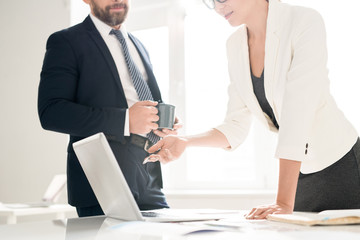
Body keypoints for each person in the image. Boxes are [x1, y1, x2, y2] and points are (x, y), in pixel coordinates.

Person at [146, 0, 360, 219]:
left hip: (339, 163)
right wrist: (186, 142)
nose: (218, 8)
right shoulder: (235, 44)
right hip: (300, 173)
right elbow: (235, 125)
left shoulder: (304, 21)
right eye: (210, 2)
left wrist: (283, 201)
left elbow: (299, 111)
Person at [38, 0, 182, 217]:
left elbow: (141, 99)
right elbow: (51, 112)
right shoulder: (66, 41)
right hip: (102, 174)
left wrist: (160, 122)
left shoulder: (138, 44)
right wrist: (125, 120)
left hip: (147, 169)